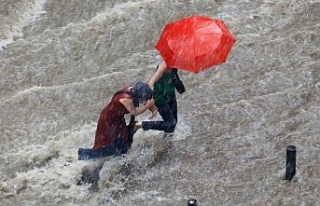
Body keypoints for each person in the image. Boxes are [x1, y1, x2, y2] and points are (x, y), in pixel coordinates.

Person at [78, 81, 156, 160]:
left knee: (123, 138)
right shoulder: (126, 99)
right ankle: (85, 154)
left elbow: (147, 100)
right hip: (108, 120)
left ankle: (122, 151)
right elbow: (135, 112)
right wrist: (147, 106)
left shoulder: (133, 91)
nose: (144, 101)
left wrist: (152, 109)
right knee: (110, 143)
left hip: (117, 117)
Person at [139, 60, 185, 136]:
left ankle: (167, 143)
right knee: (170, 124)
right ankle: (140, 125)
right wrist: (149, 102)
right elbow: (151, 81)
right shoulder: (164, 65)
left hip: (171, 95)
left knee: (173, 123)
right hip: (160, 98)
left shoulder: (174, 65)